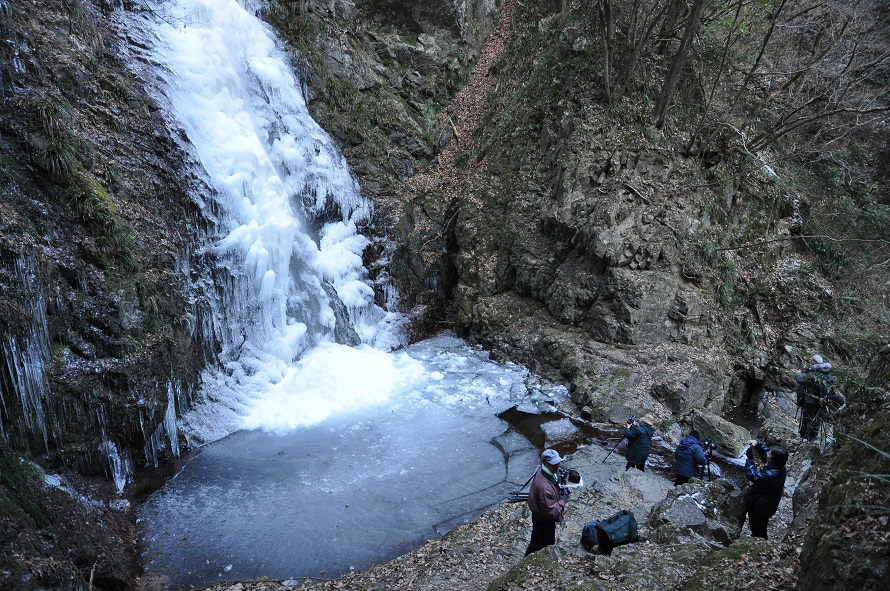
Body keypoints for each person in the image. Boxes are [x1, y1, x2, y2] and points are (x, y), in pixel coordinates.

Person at [740, 439, 788, 539]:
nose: (767, 454)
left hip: (762, 506)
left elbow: (752, 475)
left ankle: (759, 541)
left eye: (770, 454)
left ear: (773, 459)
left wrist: (750, 459)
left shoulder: (771, 474)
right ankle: (757, 536)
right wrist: (758, 444)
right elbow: (766, 453)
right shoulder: (779, 466)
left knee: (757, 525)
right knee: (760, 524)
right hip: (766, 502)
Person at [525, 448, 569, 555]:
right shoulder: (544, 488)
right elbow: (553, 512)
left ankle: (527, 558)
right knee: (547, 545)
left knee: (535, 542)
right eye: (554, 464)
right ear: (545, 463)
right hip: (544, 521)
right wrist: (563, 500)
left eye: (558, 463)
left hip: (538, 516)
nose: (557, 466)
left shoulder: (542, 470)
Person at [795, 354, 845, 440]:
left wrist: (797, 374)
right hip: (823, 401)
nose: (810, 362)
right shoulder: (828, 372)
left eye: (811, 360)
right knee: (817, 421)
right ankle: (813, 439)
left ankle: (804, 439)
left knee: (807, 420)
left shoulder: (813, 372)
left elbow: (801, 380)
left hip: (811, 400)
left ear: (815, 362)